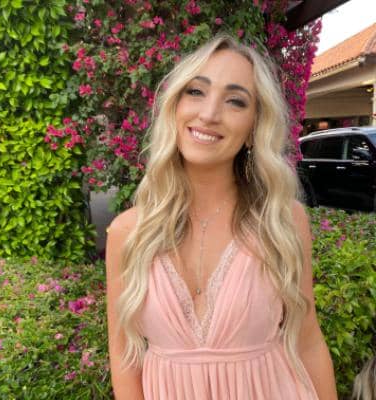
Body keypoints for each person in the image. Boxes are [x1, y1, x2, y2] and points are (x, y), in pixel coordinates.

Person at [105, 33, 338, 399]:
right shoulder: (128, 232)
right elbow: (123, 356)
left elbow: (307, 341)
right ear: (175, 106)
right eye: (196, 91)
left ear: (253, 129)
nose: (209, 114)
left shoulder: (281, 221)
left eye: (235, 101)